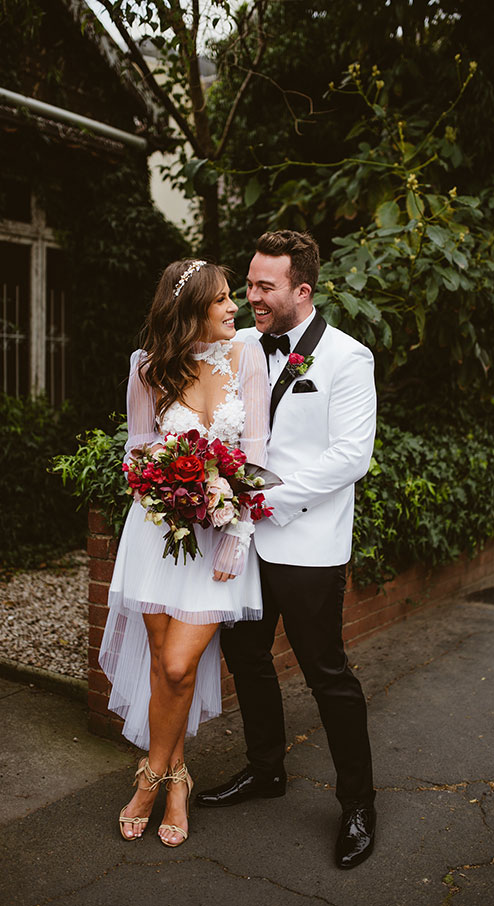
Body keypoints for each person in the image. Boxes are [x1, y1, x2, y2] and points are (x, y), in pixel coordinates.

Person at [196, 231, 378, 870]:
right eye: (248, 284)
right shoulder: (242, 343)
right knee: (246, 655)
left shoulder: (348, 357)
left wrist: (267, 498)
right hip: (242, 542)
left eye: (263, 287)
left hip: (308, 543)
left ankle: (358, 804)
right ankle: (265, 768)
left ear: (302, 290)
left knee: (327, 673)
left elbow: (350, 456)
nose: (251, 297)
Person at [99, 259, 270, 847]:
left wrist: (237, 535)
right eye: (221, 299)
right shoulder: (147, 367)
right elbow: (137, 451)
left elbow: (256, 456)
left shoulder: (247, 358)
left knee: (178, 665)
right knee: (161, 665)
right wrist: (165, 481)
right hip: (159, 534)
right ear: (191, 309)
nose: (234, 307)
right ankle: (176, 779)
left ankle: (148, 779)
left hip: (220, 537)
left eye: (231, 297)